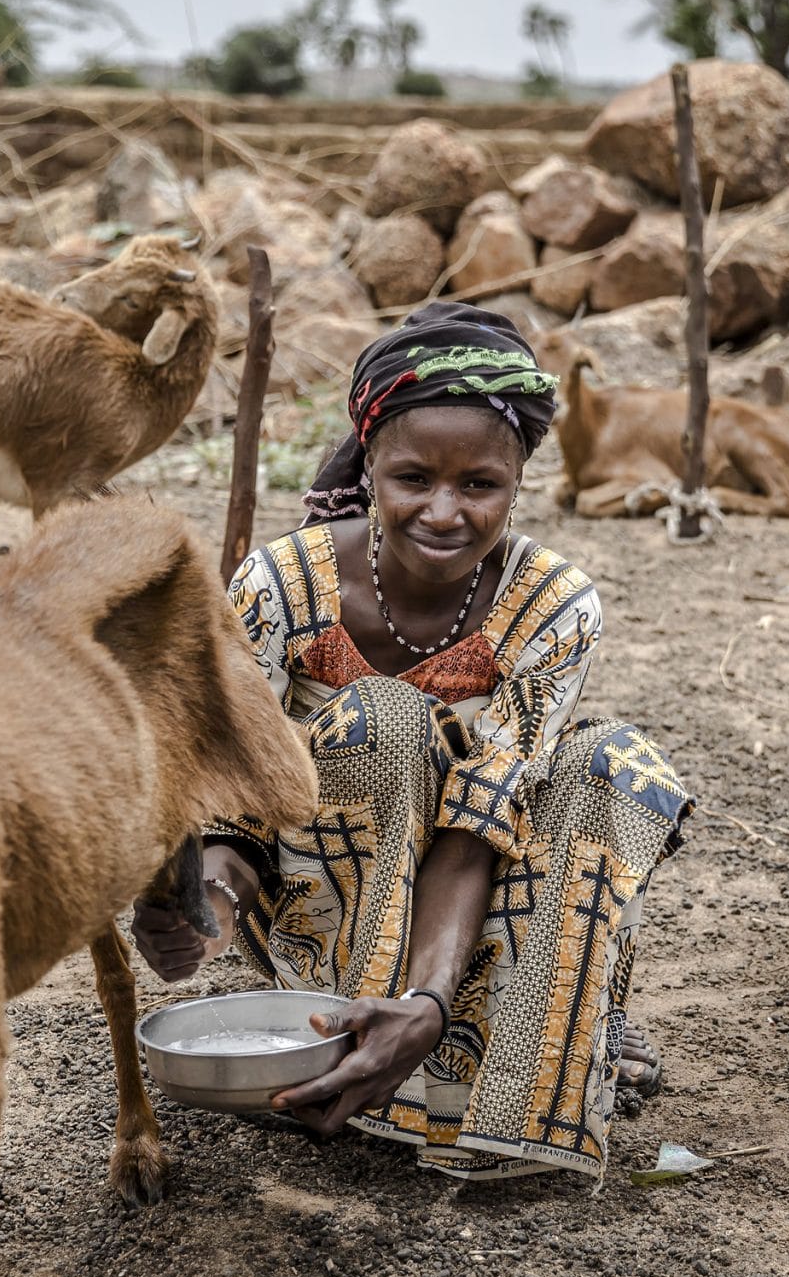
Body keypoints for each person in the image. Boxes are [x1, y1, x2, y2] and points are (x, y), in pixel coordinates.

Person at [130, 304, 691, 1181]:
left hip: (471, 890)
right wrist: (204, 902)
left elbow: (481, 819)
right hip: (327, 901)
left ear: (518, 483)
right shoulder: (282, 586)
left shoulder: (555, 605)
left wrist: (428, 1001)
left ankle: (500, 1074)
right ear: (371, 467)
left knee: (609, 762)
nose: (444, 510)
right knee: (383, 719)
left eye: (480, 485)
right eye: (413, 478)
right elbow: (237, 815)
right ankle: (348, 1039)